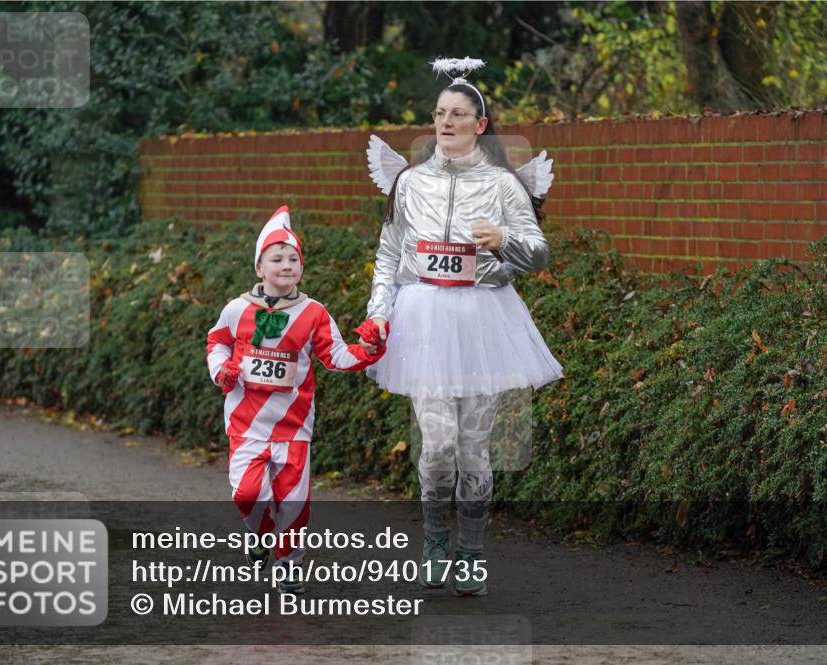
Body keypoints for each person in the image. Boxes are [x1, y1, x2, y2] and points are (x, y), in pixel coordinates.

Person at [358, 58, 563, 596]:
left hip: (481, 319)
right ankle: (433, 543)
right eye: (440, 113)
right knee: (438, 445)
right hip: (423, 319)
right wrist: (379, 313)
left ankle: (470, 552)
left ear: (481, 123)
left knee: (473, 448)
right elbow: (388, 254)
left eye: (459, 113)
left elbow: (539, 254)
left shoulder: (502, 184)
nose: (446, 121)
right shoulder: (409, 181)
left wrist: (504, 242)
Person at [206, 206, 385, 594]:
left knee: (292, 503)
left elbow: (336, 356)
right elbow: (216, 342)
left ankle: (289, 565)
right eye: (277, 259)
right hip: (245, 424)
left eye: (293, 259)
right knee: (247, 495)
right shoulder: (237, 309)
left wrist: (370, 349)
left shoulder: (314, 312)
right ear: (259, 268)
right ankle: (259, 534)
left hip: (294, 427)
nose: (286, 265)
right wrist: (221, 370)